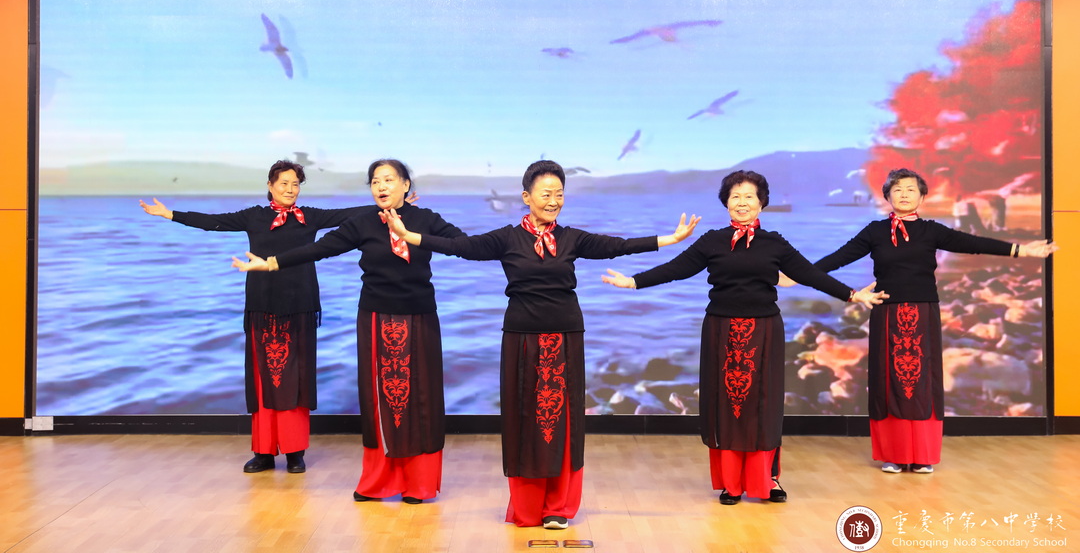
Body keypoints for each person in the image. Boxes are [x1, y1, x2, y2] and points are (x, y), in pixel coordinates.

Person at [380, 160, 700, 529]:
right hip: (520, 339)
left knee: (562, 422)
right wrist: (407, 235)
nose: (554, 201)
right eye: (546, 193)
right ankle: (528, 507)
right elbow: (459, 246)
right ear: (526, 197)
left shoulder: (572, 238)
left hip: (565, 338)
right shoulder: (506, 238)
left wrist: (670, 239)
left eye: (559, 194)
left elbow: (619, 246)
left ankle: (558, 507)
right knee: (524, 422)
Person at [601, 170, 885, 505]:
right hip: (721, 331)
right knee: (727, 405)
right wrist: (633, 282)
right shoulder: (712, 241)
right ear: (726, 203)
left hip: (764, 331)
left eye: (749, 196)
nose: (742, 202)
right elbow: (675, 269)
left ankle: (768, 480)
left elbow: (809, 274)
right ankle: (731, 482)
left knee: (763, 406)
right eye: (735, 196)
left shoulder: (775, 242)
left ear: (761, 203)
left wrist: (852, 295)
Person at [233, 159, 463, 504]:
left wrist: (411, 236)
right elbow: (319, 249)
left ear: (405, 185)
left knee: (420, 400)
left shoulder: (426, 219)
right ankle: (378, 481)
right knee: (378, 402)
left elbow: (462, 244)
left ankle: (420, 483)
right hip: (374, 318)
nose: (381, 186)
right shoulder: (363, 223)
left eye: (389, 179)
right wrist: (272, 263)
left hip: (420, 318)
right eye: (375, 181)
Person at [812, 168, 1055, 474]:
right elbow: (838, 258)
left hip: (923, 314)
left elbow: (973, 243)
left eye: (911, 189)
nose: (904, 194)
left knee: (922, 382)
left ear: (922, 197)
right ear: (887, 196)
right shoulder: (874, 231)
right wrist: (799, 276)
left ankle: (922, 454)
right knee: (889, 382)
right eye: (897, 189)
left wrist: (1021, 250)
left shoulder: (931, 231)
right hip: (886, 314)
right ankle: (894, 455)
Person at [139, 159, 367, 474]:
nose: (290, 189)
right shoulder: (254, 216)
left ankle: (295, 452)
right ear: (270, 186)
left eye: (295, 184)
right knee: (263, 380)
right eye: (284, 183)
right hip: (262, 305)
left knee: (296, 381)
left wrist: (395, 205)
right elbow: (213, 222)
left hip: (300, 306)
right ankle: (263, 452)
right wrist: (170, 214)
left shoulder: (311, 217)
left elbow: (352, 214)